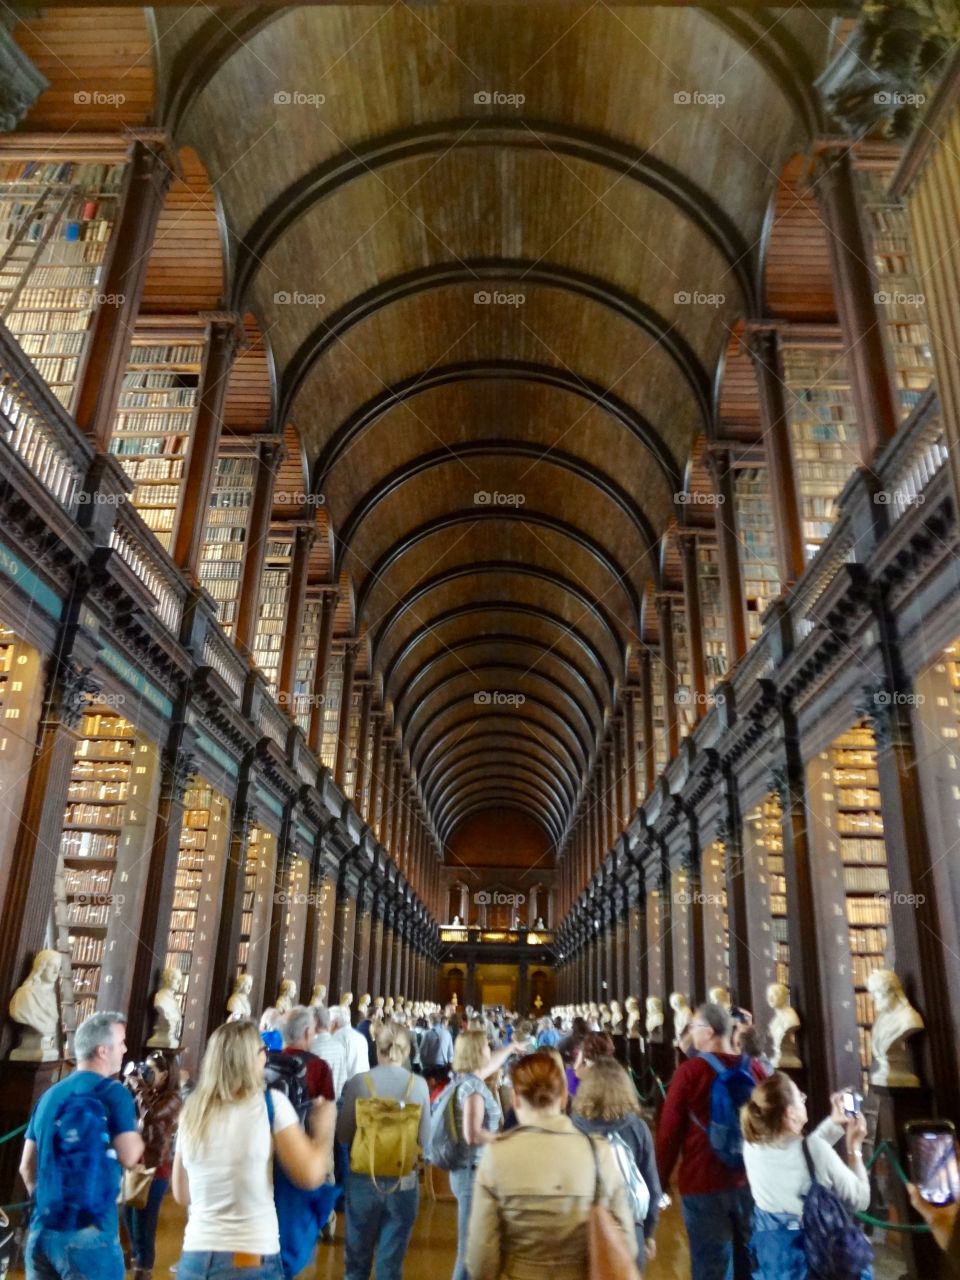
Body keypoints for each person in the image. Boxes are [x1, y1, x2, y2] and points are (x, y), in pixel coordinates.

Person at [171, 1019, 334, 1280]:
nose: (266, 1058)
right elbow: (311, 1175)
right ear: (251, 1059)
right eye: (263, 1051)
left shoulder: (192, 1111)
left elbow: (182, 1193)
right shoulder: (270, 1105)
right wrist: (324, 1129)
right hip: (249, 1256)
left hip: (195, 1256)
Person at [465, 1051, 638, 1280]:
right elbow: (626, 1241)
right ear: (565, 1097)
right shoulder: (598, 1152)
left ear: (516, 1099)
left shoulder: (496, 1155)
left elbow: (481, 1257)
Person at [19, 1011, 144, 1280]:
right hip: (91, 1236)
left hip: (41, 1232)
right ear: (102, 1050)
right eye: (121, 1042)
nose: (124, 1049)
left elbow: (26, 1167)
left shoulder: (48, 1095)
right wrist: (138, 1130)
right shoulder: (114, 1093)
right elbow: (130, 1155)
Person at [656, 1001, 767, 1280]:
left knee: (711, 1267)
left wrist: (659, 1183)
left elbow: (669, 1133)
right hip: (750, 1180)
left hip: (702, 1181)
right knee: (751, 1263)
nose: (691, 1034)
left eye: (693, 1027)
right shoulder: (755, 1070)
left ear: (707, 1031)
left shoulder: (690, 1072)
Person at [741, 1072, 869, 1280]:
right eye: (799, 1096)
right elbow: (861, 1199)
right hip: (814, 1257)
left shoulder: (751, 1145)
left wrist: (834, 1123)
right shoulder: (815, 1150)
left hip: (774, 1256)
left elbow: (803, 1153)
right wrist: (855, 1149)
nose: (804, 1098)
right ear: (790, 1113)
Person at [335, 1023, 431, 1280]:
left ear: (377, 1048)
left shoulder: (359, 1083)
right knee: (390, 1265)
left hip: (364, 1177)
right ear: (407, 1050)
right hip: (403, 1180)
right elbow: (426, 1140)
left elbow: (343, 1135)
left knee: (356, 1262)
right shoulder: (418, 1085)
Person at [572, 1056, 661, 1264]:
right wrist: (649, 1234)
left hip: (585, 1228)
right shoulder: (638, 1128)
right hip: (629, 1227)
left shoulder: (571, 1127)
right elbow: (652, 1187)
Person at [123, 1049, 182, 1280]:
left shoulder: (174, 1098)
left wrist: (139, 1087)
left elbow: (152, 1116)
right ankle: (136, 1256)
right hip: (137, 1163)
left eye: (151, 1071)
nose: (145, 1074)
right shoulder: (148, 1092)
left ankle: (144, 1268)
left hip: (156, 1167)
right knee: (129, 1214)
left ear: (165, 1075)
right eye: (144, 1069)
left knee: (144, 1221)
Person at [280, 1005, 334, 1101]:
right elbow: (326, 1110)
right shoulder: (319, 1067)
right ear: (307, 1032)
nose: (314, 1035)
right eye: (313, 1030)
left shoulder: (267, 1059)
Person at [310, 1004, 348, 1100]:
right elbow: (343, 1079)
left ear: (313, 1022)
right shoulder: (339, 1047)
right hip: (334, 1103)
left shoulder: (313, 1048)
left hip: (316, 1106)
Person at [332, 1003, 370, 1080]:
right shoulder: (360, 1037)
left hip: (348, 1084)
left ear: (334, 1023)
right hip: (363, 1082)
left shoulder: (338, 1037)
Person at [420, 1012, 455, 1084]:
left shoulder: (427, 1034)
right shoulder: (447, 1033)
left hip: (429, 1067)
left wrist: (423, 1064)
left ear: (430, 1021)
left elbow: (422, 1052)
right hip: (443, 1066)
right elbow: (451, 1053)